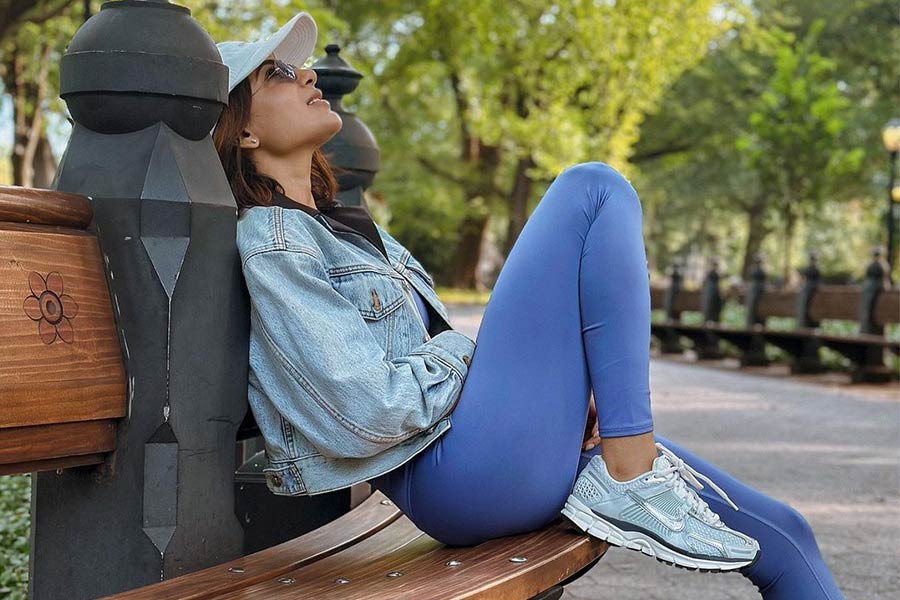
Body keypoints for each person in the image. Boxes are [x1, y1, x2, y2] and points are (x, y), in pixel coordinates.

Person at [213, 12, 845, 599]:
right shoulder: (275, 240)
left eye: (301, 67)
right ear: (242, 130)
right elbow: (363, 410)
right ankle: (631, 471)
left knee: (785, 537)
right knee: (592, 189)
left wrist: (567, 395)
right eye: (278, 73)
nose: (308, 76)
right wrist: (470, 356)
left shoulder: (347, 229)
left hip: (481, 446)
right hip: (452, 475)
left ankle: (628, 464)